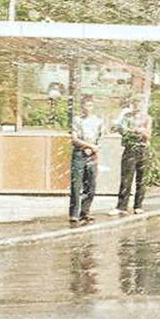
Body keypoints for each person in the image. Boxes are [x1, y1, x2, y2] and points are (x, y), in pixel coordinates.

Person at [110, 96, 153, 216]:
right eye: (135, 103)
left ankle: (138, 205)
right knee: (126, 179)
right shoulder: (126, 117)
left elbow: (148, 134)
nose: (137, 105)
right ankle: (121, 206)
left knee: (141, 179)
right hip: (130, 149)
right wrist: (137, 131)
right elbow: (121, 130)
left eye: (140, 103)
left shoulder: (147, 118)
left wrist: (135, 131)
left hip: (143, 149)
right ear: (132, 104)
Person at [69, 95, 103, 225]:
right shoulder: (77, 120)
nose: (88, 108)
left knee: (91, 184)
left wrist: (94, 148)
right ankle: (74, 213)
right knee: (76, 184)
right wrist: (87, 146)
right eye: (85, 105)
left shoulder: (98, 121)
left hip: (92, 153)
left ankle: (85, 211)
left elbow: (100, 138)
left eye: (90, 105)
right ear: (82, 106)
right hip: (79, 153)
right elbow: (75, 138)